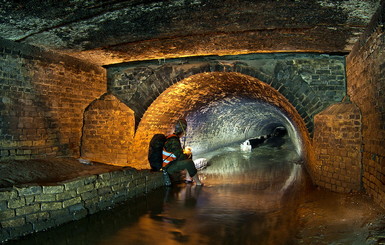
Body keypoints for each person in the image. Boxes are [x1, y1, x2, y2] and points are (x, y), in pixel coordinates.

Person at [162, 119, 203, 185]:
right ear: (182, 131)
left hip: (170, 163)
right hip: (168, 167)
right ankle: (198, 183)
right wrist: (186, 153)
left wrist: (184, 152)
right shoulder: (174, 140)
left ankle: (188, 178)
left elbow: (174, 153)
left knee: (189, 154)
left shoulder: (171, 138)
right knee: (189, 163)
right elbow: (179, 157)